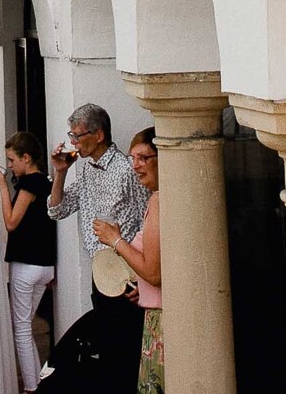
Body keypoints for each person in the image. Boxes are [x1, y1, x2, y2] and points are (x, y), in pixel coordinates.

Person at [47, 103, 147, 383]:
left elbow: (146, 220)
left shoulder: (127, 170)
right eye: (72, 135)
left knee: (126, 353)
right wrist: (61, 172)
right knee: (107, 351)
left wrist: (143, 279)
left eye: (78, 135)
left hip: (129, 274)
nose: (74, 142)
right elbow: (56, 210)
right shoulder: (87, 168)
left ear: (99, 135)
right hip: (101, 273)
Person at [95, 128, 162, 394]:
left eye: (144, 157)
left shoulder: (159, 200)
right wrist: (142, 287)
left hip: (162, 322)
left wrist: (115, 241)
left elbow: (155, 273)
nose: (135, 165)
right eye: (132, 157)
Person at [0, 132, 56, 392]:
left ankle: (31, 386)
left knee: (22, 329)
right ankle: (36, 381)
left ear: (26, 158)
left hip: (27, 264)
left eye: (12, 160)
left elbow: (11, 222)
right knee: (26, 325)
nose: (9, 166)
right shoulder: (45, 182)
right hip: (44, 264)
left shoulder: (30, 184)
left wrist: (4, 189)